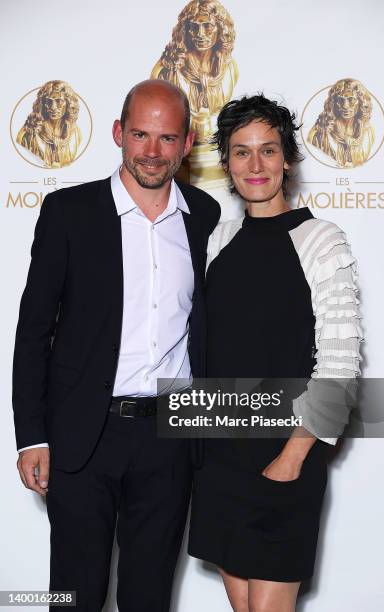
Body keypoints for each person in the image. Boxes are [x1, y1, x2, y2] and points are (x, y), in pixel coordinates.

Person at [13, 79, 220, 612]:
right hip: (84, 433)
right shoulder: (68, 213)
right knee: (74, 596)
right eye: (140, 135)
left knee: (149, 597)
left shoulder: (207, 217)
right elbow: (33, 330)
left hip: (172, 434)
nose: (151, 152)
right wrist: (31, 436)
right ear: (117, 134)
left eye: (166, 138)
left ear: (187, 141)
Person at [188, 94, 362, 611]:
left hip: (284, 453)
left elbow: (340, 361)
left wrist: (293, 455)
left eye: (268, 150)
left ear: (287, 159)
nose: (256, 165)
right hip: (219, 456)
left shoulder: (321, 240)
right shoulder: (217, 241)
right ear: (226, 164)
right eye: (241, 152)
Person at [151, 0, 238, 143]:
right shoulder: (168, 69)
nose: (200, 34)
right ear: (185, 30)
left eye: (208, 26)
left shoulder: (229, 68)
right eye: (194, 27)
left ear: (221, 29)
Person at [307, 78, 374, 168]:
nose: (345, 106)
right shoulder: (321, 130)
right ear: (334, 102)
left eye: (351, 100)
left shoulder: (367, 131)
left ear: (361, 103)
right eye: (341, 100)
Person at [16, 80, 82, 168]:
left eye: (59, 101)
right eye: (48, 101)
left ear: (68, 103)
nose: (53, 107)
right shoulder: (30, 132)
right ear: (42, 103)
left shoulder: (75, 133)